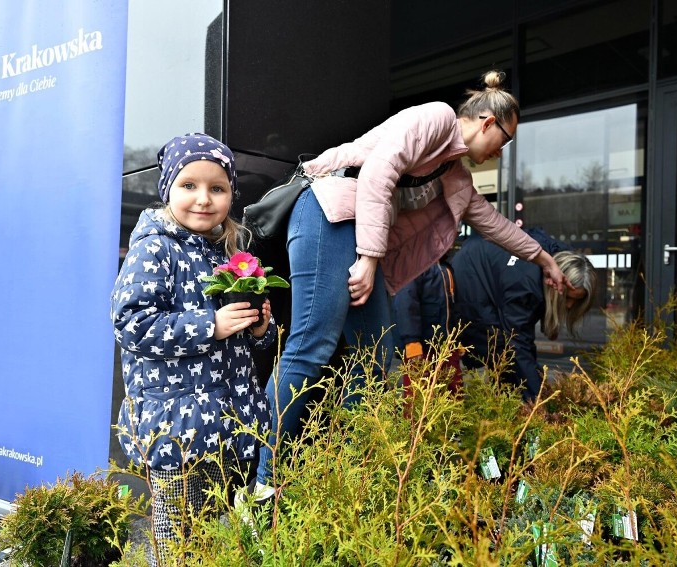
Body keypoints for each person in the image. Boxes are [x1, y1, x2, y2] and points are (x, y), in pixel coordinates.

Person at [251, 70, 572, 500]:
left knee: (376, 358)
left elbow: (494, 224)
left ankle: (351, 474)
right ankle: (264, 482)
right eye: (505, 140)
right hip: (329, 213)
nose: (501, 153)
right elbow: (377, 173)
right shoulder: (435, 119)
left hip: (361, 241)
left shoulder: (456, 177)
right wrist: (367, 259)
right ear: (488, 123)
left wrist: (544, 257)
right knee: (313, 343)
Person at [110, 133, 274, 563]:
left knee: (211, 533)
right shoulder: (154, 249)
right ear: (168, 191)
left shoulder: (228, 251)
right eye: (189, 186)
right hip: (176, 430)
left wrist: (259, 332)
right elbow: (131, 324)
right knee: (176, 543)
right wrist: (211, 325)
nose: (203, 199)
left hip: (226, 424)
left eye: (217, 188)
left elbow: (240, 346)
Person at [452, 228, 597, 402]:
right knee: (501, 350)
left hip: (485, 265)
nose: (569, 305)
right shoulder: (525, 285)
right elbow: (518, 341)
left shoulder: (558, 256)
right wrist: (538, 399)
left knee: (513, 358)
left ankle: (512, 405)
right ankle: (503, 408)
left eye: (577, 301)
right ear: (557, 284)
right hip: (471, 283)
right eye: (568, 297)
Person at [392, 258, 463, 398]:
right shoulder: (413, 266)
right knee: (418, 396)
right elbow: (405, 305)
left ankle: (452, 420)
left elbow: (454, 307)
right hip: (421, 349)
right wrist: (411, 342)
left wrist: (457, 339)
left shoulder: (445, 267)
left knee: (454, 391)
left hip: (447, 346)